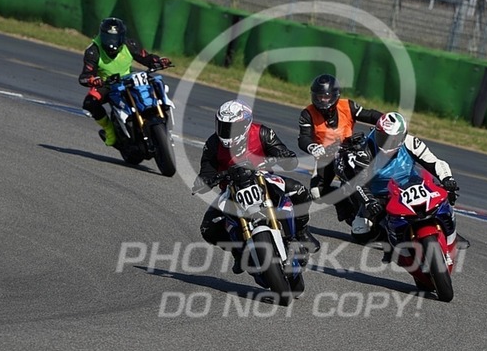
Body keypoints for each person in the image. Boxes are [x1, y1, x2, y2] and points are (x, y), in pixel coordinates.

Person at [193, 100, 321, 274]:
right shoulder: (213, 143)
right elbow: (206, 171)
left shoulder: (262, 132)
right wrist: (203, 181)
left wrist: (285, 156)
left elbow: (283, 154)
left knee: (300, 191)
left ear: (246, 124)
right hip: (231, 188)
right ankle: (238, 252)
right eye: (224, 126)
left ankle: (300, 232)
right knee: (208, 229)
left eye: (232, 127)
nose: (227, 132)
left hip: (263, 177)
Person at [335, 111, 459, 243]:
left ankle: (449, 231)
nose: (386, 144)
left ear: (402, 137)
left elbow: (434, 162)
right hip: (380, 197)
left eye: (392, 139)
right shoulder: (365, 151)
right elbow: (358, 183)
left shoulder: (410, 142)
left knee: (445, 197)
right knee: (360, 231)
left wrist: (447, 179)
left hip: (411, 188)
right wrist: (369, 201)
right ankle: (387, 236)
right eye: (382, 137)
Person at [298, 74, 382, 224]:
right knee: (317, 193)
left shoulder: (348, 106)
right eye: (319, 96)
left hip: (350, 152)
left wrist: (387, 120)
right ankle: (342, 203)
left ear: (335, 95)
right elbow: (303, 138)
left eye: (326, 96)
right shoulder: (307, 113)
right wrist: (313, 147)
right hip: (326, 155)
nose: (322, 100)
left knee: (356, 181)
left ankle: (371, 202)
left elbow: (369, 115)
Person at [78, 17, 172, 146]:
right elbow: (85, 75)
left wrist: (159, 61)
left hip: (128, 79)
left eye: (115, 38)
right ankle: (110, 131)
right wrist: (94, 80)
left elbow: (145, 57)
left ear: (121, 37)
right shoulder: (93, 51)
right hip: (107, 84)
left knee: (155, 83)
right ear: (101, 35)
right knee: (90, 103)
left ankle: (163, 119)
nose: (112, 42)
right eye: (108, 37)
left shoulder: (129, 44)